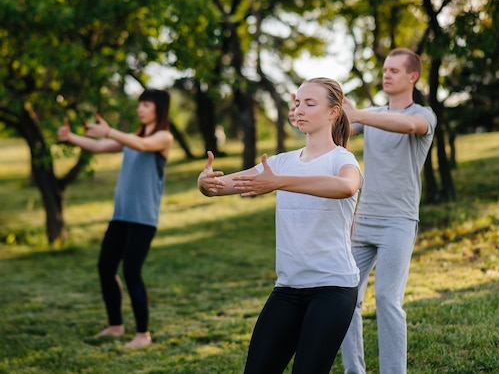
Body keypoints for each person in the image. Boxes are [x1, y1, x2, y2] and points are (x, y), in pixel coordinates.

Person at [198, 77, 363, 374]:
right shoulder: (283, 162)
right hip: (288, 287)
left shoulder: (342, 160)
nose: (299, 109)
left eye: (310, 103)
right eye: (297, 102)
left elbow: (346, 187)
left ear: (333, 112)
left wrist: (278, 182)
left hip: (333, 288)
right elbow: (223, 186)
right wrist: (206, 183)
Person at [340, 48, 437, 374]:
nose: (386, 74)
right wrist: (309, 110)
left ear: (413, 77)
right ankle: (355, 370)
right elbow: (341, 130)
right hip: (362, 221)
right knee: (344, 297)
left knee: (386, 300)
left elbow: (409, 126)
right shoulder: (374, 114)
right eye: (385, 69)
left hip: (398, 222)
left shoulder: (424, 114)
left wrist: (359, 114)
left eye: (395, 70)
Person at [57, 89, 174, 348]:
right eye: (139, 105)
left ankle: (143, 334)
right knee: (105, 268)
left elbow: (143, 145)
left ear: (158, 108)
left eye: (145, 105)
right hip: (121, 215)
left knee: (132, 271)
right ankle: (115, 326)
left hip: (143, 218)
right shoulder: (130, 137)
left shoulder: (163, 137)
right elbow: (98, 147)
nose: (140, 109)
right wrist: (71, 137)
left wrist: (110, 131)